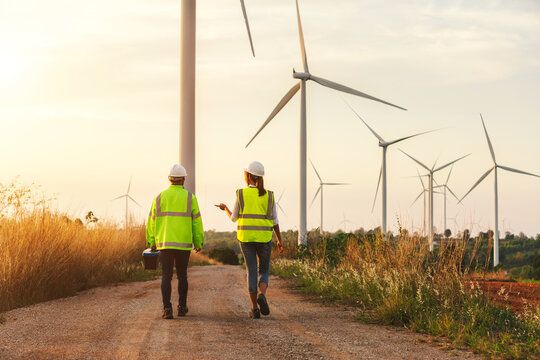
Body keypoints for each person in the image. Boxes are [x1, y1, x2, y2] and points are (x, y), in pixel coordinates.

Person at [215, 161, 284, 319]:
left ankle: (254, 309)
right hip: (264, 238)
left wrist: (224, 208)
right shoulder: (270, 195)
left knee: (251, 271)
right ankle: (263, 294)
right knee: (264, 270)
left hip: (246, 239)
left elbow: (234, 218)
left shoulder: (240, 193)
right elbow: (275, 221)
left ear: (247, 176)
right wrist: (280, 240)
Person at [146, 164, 204, 319]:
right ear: (183, 179)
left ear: (169, 178)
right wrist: (198, 242)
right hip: (184, 243)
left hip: (165, 243)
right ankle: (182, 307)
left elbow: (151, 221)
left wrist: (151, 240)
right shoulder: (190, 198)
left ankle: (167, 309)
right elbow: (197, 222)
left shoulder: (159, 197)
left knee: (166, 275)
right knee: (182, 275)